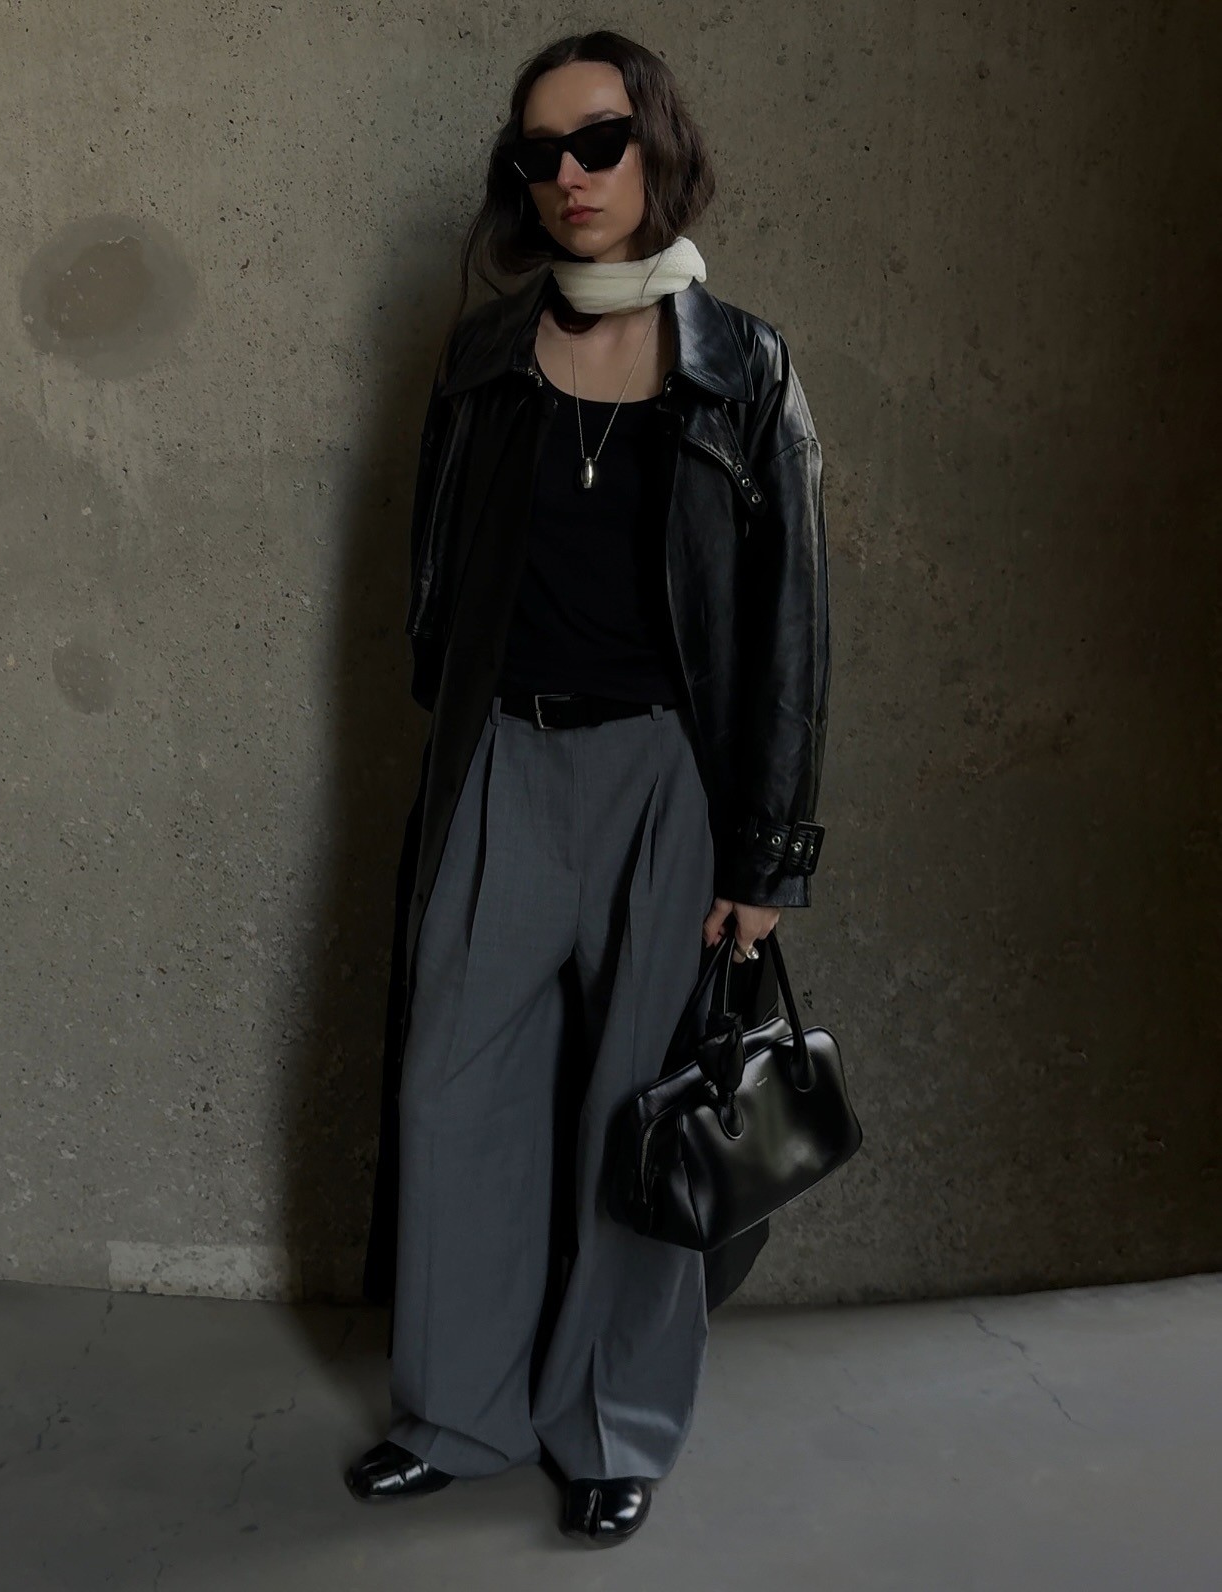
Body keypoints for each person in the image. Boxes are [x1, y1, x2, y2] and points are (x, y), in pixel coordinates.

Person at [345, 28, 831, 1548]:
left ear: (655, 146)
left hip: (665, 780)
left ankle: (613, 1425)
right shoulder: (485, 357)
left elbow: (792, 633)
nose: (570, 174)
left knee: (641, 1110)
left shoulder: (744, 369)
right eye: (540, 152)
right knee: (456, 1094)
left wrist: (764, 856)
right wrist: (462, 729)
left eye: (600, 140)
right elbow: (436, 573)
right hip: (503, 759)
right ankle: (459, 1410)